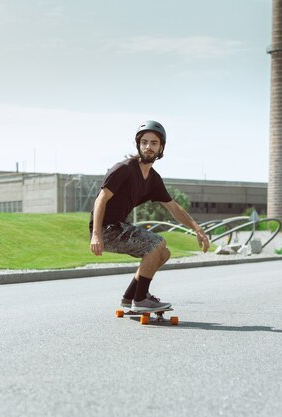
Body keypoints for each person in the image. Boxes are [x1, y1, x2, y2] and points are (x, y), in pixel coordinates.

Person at [89, 120, 210, 312]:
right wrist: (96, 234)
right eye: (144, 142)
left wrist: (197, 228)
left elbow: (173, 207)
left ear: (161, 147)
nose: (148, 147)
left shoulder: (153, 179)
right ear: (138, 144)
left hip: (120, 227)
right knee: (157, 243)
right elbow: (100, 200)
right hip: (107, 229)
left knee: (164, 253)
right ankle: (141, 300)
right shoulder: (124, 169)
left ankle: (129, 297)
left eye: (154, 143)